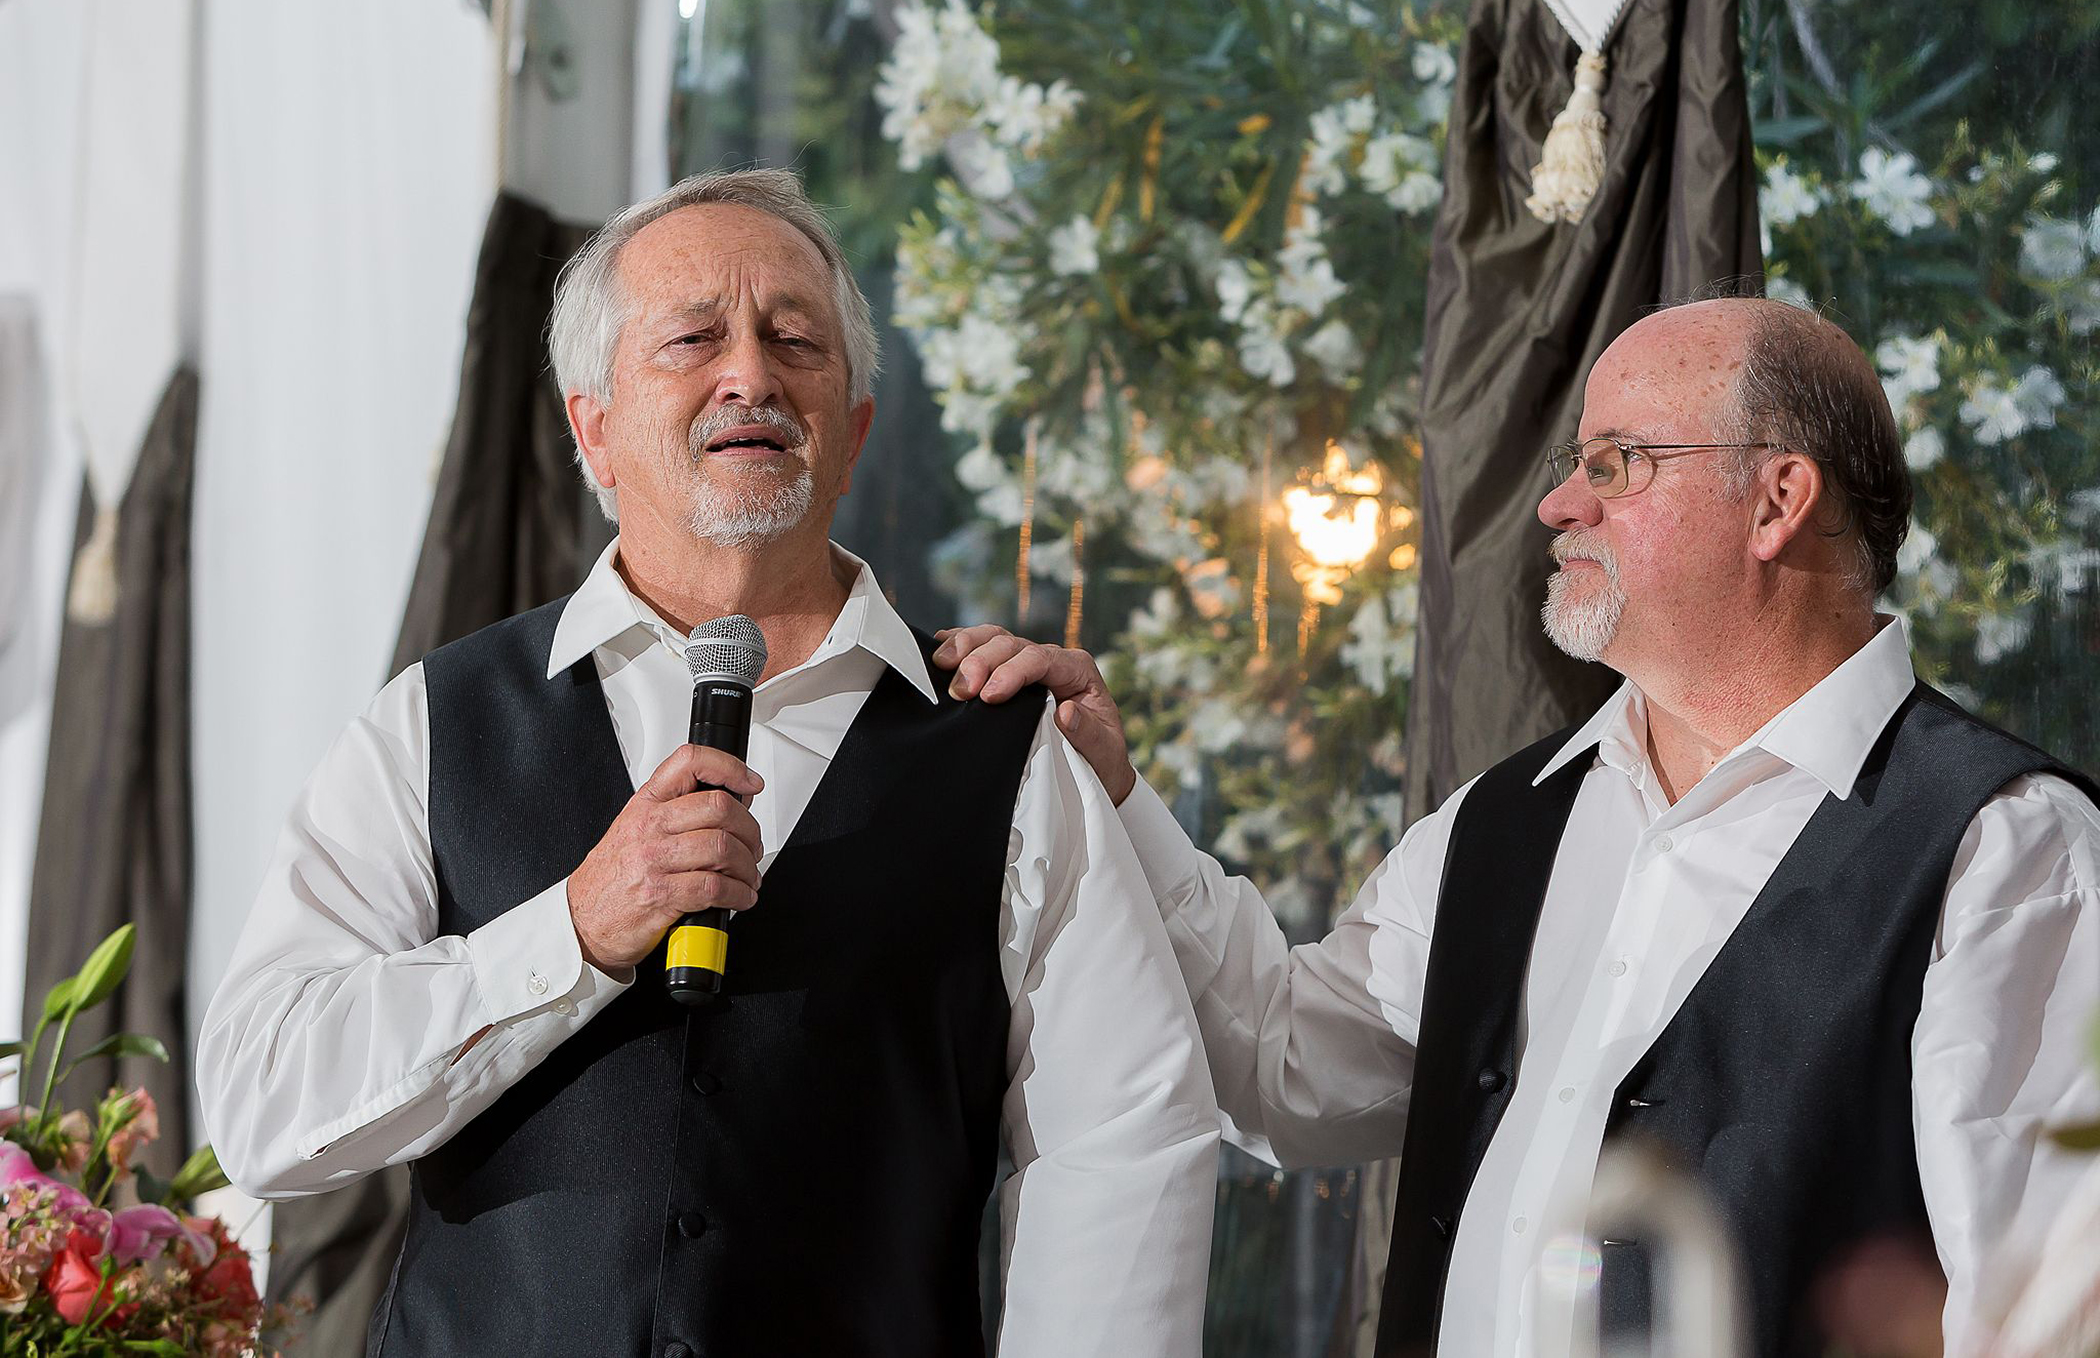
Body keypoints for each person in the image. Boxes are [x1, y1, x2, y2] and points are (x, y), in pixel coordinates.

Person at [937, 297, 2100, 1357]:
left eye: (1616, 462)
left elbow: (2049, 1321)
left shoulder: (2011, 855)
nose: (1560, 501)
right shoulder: (1503, 822)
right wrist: (1117, 790)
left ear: (1777, 500)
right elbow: (1282, 1064)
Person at [197, 168, 1219, 1358]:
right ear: (595, 427)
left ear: (853, 432)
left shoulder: (1002, 751)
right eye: (693, 337)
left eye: (796, 340)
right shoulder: (435, 722)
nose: (752, 374)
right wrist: (574, 925)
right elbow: (263, 1100)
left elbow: (1124, 1152)